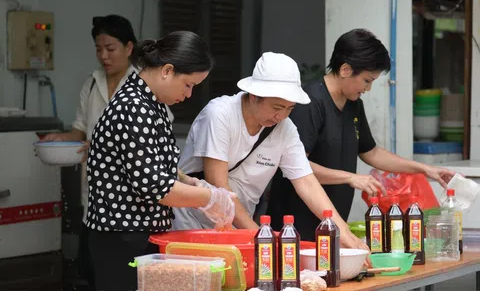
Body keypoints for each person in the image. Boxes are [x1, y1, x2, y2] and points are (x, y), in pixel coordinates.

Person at [266, 28, 456, 241]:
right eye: (367, 80)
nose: (369, 88)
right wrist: (350, 178)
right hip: (295, 227)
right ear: (346, 70)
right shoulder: (310, 102)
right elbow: (295, 166)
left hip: (331, 224)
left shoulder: (353, 105)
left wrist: (424, 169)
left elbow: (371, 152)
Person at [85, 31, 235, 291]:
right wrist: (210, 199)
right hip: (121, 237)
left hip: (141, 234)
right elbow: (155, 186)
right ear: (167, 70)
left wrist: (190, 182)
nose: (189, 95)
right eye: (188, 85)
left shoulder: (151, 104)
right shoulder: (134, 106)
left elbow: (156, 165)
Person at [172, 52, 366, 251]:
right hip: (191, 225)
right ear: (254, 96)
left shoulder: (285, 128)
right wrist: (262, 239)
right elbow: (220, 187)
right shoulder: (220, 115)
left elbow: (307, 182)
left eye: (290, 109)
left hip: (237, 229)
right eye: (277, 107)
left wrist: (344, 232)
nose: (281, 116)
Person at [41, 14, 152, 289]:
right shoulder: (91, 84)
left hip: (130, 201)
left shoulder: (145, 85)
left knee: (126, 272)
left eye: (110, 48)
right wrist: (59, 139)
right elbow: (81, 131)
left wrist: (104, 144)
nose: (103, 56)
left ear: (129, 48)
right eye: (98, 49)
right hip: (94, 195)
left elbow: (152, 139)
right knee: (93, 269)